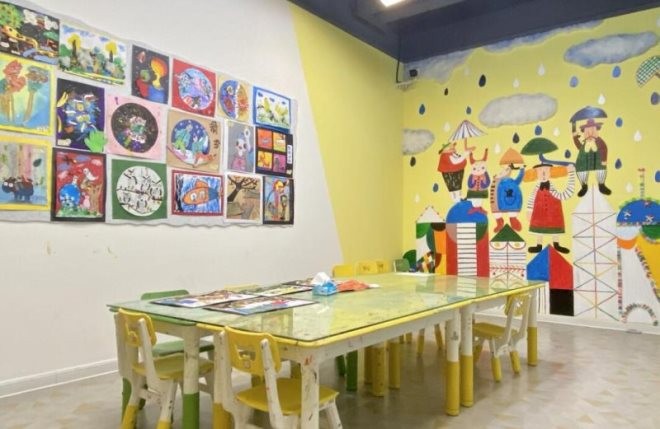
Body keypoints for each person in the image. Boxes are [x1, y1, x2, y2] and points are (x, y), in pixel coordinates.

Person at [526, 163, 576, 253]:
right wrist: (529, 211)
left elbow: (565, 195)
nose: (543, 173)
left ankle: (556, 245)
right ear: (536, 173)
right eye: (540, 171)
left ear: (551, 172)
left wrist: (571, 174)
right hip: (539, 214)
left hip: (553, 215)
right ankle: (539, 245)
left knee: (555, 228)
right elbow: (531, 199)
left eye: (546, 170)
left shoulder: (552, 189)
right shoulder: (536, 188)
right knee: (538, 228)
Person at [572, 118, 610, 197]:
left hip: (597, 161)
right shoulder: (584, 144)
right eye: (587, 132)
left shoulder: (599, 142)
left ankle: (601, 185)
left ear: (596, 131)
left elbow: (604, 149)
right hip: (584, 162)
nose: (590, 134)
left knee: (601, 169)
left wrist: (604, 160)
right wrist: (574, 131)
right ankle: (584, 186)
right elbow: (578, 144)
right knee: (581, 169)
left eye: (592, 131)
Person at [490, 163, 525, 232]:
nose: (501, 173)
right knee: (497, 214)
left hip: (511, 202)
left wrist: (522, 169)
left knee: (512, 214)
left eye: (506, 170)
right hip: (499, 203)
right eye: (501, 172)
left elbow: (519, 178)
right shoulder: (496, 182)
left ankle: (514, 222)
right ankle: (500, 223)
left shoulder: (511, 181)